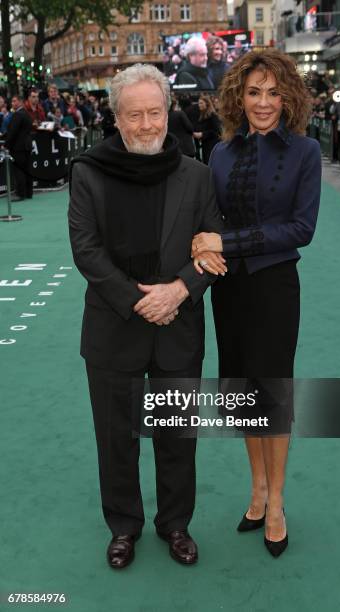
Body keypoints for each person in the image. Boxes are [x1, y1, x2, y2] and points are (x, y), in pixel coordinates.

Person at [68, 63, 225, 570]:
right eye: (134, 115)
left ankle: (175, 524)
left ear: (167, 111)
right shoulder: (89, 171)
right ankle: (123, 527)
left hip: (178, 325)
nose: (146, 124)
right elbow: (86, 250)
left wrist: (178, 290)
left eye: (155, 112)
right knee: (115, 438)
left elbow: (212, 248)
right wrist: (141, 300)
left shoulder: (197, 175)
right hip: (114, 327)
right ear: (115, 118)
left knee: (176, 435)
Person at [191, 48, 321, 557]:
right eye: (253, 92)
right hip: (230, 289)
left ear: (288, 97)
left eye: (273, 93)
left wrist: (225, 242)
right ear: (237, 97)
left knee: (272, 392)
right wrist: (204, 241)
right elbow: (212, 217)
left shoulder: (306, 152)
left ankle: (278, 503)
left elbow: (300, 229)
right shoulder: (221, 152)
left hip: (273, 286)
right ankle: (257, 490)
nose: (263, 103)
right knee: (241, 392)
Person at [5, 95, 33, 201]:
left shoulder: (17, 114)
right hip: (27, 146)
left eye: (14, 101)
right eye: (12, 101)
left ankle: (20, 194)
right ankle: (28, 193)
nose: (12, 103)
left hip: (18, 147)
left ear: (20, 102)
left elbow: (13, 132)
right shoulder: (26, 113)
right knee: (27, 169)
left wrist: (6, 144)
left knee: (19, 170)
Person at [193, 94, 221, 164]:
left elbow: (217, 131)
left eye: (201, 103)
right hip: (205, 145)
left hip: (212, 146)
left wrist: (202, 134)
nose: (199, 105)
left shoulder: (212, 115)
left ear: (207, 104)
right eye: (199, 103)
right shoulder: (201, 115)